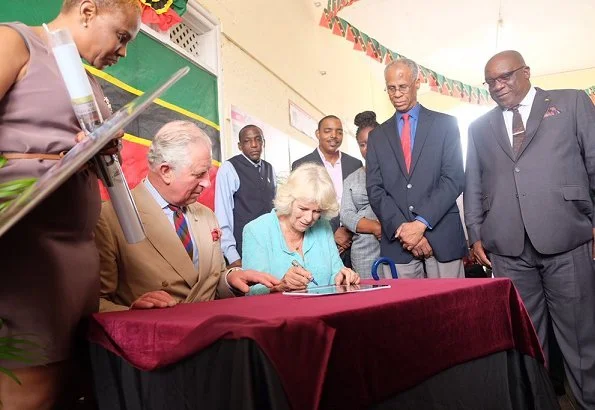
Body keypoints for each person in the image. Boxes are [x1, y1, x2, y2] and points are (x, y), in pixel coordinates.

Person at [0, 0, 141, 407]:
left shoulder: (88, 81)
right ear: (87, 10)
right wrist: (43, 158)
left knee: (71, 387)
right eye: (122, 36)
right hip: (28, 254)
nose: (124, 51)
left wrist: (100, 148)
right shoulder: (16, 41)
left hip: (78, 258)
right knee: (30, 390)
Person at [464, 50, 595, 408]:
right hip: (507, 247)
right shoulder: (478, 127)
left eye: (504, 77)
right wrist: (475, 233)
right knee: (526, 340)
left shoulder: (571, 103)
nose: (497, 86)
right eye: (490, 81)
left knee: (581, 339)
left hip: (567, 237)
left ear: (526, 72)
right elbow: (473, 182)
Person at [95, 121, 279, 311]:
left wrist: (230, 279)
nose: (207, 183)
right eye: (199, 174)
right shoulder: (111, 219)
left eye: (208, 172)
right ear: (166, 171)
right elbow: (96, 303)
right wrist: (133, 313)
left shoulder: (207, 216)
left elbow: (210, 284)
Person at [367, 58, 467, 279]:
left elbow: (453, 179)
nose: (397, 94)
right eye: (391, 88)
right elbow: (375, 189)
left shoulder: (446, 125)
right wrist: (404, 230)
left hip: (441, 236)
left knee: (452, 311)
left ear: (417, 83)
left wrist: (421, 224)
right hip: (398, 242)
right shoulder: (377, 137)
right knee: (404, 313)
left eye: (402, 87)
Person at [242, 163, 359, 295]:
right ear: (289, 200)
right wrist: (279, 286)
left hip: (325, 312)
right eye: (303, 208)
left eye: (317, 211)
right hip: (280, 314)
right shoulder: (256, 230)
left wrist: (343, 277)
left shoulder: (323, 226)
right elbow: (251, 292)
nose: (309, 218)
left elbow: (336, 272)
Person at [291, 115, 362, 267]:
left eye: (339, 132)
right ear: (318, 134)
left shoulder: (355, 164)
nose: (334, 136)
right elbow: (300, 207)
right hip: (317, 239)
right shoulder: (301, 164)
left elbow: (361, 203)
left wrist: (347, 229)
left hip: (353, 240)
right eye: (328, 131)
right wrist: (332, 234)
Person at [214, 124, 275, 268]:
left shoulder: (269, 168)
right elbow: (222, 216)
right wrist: (232, 256)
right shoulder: (229, 168)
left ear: (263, 143)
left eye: (258, 140)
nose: (254, 145)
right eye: (247, 141)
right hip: (243, 249)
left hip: (270, 248)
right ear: (240, 146)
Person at [340, 111, 382, 279]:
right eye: (362, 144)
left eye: (373, 142)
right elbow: (346, 214)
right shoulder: (352, 178)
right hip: (364, 252)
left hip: (396, 248)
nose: (368, 149)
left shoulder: (397, 173)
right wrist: (375, 227)